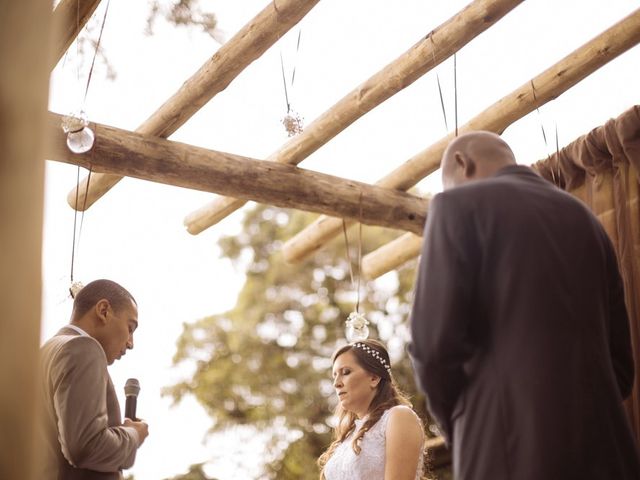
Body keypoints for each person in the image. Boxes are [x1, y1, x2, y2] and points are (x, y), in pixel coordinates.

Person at [409, 131, 640, 479]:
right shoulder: (588, 221)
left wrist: (463, 428)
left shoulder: (456, 207)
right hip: (609, 454)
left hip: (507, 452)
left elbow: (433, 347)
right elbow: (621, 368)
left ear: (462, 163)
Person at [39, 279, 149, 479]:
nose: (131, 343)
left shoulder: (43, 355)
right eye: (130, 328)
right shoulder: (83, 348)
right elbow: (86, 446)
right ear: (104, 310)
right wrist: (133, 435)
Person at [318, 339, 425, 480]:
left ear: (374, 378)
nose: (336, 383)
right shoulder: (348, 436)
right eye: (334, 375)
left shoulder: (399, 417)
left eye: (346, 372)